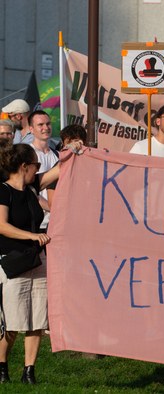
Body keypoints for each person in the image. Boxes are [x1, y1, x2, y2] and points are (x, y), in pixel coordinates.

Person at [0, 138, 67, 385]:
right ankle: (2, 367)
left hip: (37, 261)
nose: (39, 170)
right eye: (37, 165)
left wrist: (75, 150)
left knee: (37, 319)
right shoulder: (4, 190)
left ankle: (29, 371)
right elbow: (1, 226)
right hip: (13, 263)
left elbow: (59, 170)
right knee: (12, 322)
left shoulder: (32, 187)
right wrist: (32, 235)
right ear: (24, 166)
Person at [28, 111, 58, 233]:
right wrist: (53, 208)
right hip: (38, 223)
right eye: (40, 124)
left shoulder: (59, 155)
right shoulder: (28, 155)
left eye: (48, 123)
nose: (46, 128)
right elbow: (29, 189)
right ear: (31, 129)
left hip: (56, 222)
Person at [46, 124, 88, 209]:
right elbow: (52, 204)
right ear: (62, 144)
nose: (73, 146)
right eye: (69, 143)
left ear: (84, 142)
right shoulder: (58, 167)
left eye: (76, 141)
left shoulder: (92, 166)